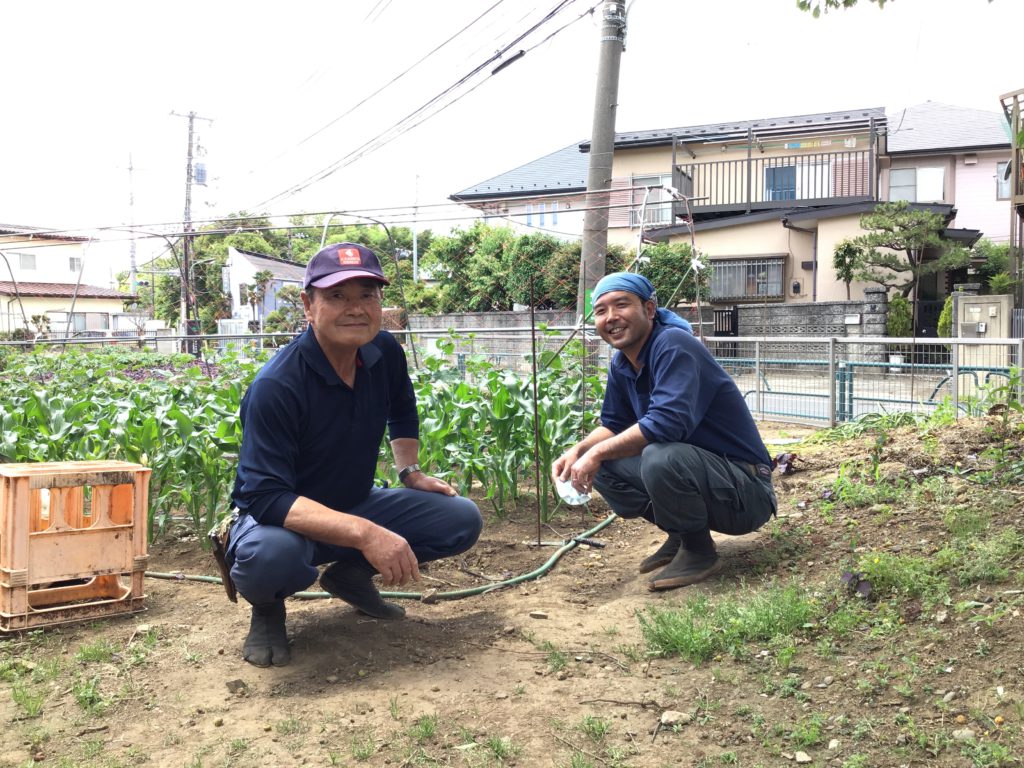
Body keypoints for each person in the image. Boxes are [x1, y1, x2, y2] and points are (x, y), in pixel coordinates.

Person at [226, 242, 483, 667]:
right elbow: (265, 496)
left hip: (352, 500)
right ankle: (268, 608)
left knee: (460, 518)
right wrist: (367, 534)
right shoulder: (278, 385)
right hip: (281, 523)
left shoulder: (383, 352)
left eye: (367, 295)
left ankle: (350, 576)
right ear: (308, 305)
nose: (355, 308)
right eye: (337, 296)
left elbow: (402, 409)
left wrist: (410, 472)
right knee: (268, 557)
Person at [551, 272, 775, 590]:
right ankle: (683, 534)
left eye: (621, 305)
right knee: (597, 457)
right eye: (601, 311)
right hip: (711, 480)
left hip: (747, 491)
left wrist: (598, 452)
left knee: (660, 455)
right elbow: (613, 424)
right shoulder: (623, 363)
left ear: (650, 309)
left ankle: (699, 551)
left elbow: (667, 424)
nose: (611, 317)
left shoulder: (674, 345)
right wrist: (578, 451)